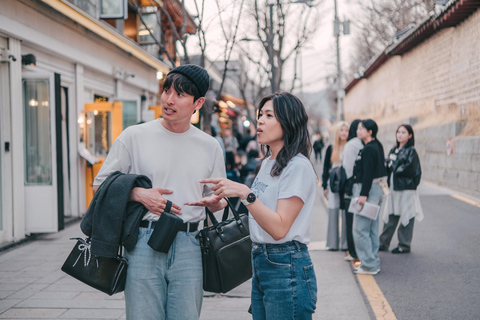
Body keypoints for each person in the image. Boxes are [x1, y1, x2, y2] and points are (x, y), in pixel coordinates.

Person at [92, 64, 227, 320]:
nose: (169, 99)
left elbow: (218, 199)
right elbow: (100, 187)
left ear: (198, 102)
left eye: (180, 94)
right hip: (144, 240)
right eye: (166, 91)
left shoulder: (210, 146)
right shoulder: (134, 136)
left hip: (191, 243)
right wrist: (139, 194)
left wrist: (216, 202)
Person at [187, 92, 318, 319]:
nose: (260, 120)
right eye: (260, 115)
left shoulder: (298, 167)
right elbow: (260, 213)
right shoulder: (268, 164)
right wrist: (220, 202)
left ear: (288, 122)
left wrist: (245, 193)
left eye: (269, 115)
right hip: (261, 262)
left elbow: (279, 228)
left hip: (286, 266)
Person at [379, 124, 423, 254]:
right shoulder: (393, 150)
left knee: (406, 216)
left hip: (406, 189)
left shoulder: (411, 151)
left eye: (403, 132)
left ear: (410, 135)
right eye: (398, 132)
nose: (400, 134)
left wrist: (393, 166)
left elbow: (409, 169)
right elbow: (388, 166)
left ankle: (404, 245)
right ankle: (383, 243)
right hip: (393, 188)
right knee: (390, 216)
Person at [352, 119, 388, 275]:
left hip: (369, 190)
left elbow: (367, 173)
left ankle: (369, 265)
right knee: (372, 228)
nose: (358, 131)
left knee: (360, 229)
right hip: (377, 189)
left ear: (370, 132)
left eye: (362, 129)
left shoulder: (368, 149)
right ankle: (372, 261)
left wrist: (363, 194)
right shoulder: (377, 145)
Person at [322, 122, 349, 251]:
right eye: (342, 130)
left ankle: (345, 244)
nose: (344, 132)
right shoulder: (331, 148)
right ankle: (332, 243)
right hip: (333, 184)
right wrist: (324, 186)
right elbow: (325, 168)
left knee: (345, 212)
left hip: (346, 184)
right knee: (333, 211)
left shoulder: (351, 147)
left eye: (346, 130)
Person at [341, 119, 363, 262]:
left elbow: (347, 168)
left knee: (350, 221)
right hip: (362, 188)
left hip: (351, 188)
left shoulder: (351, 144)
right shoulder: (364, 144)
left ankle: (353, 252)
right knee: (361, 222)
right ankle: (360, 252)